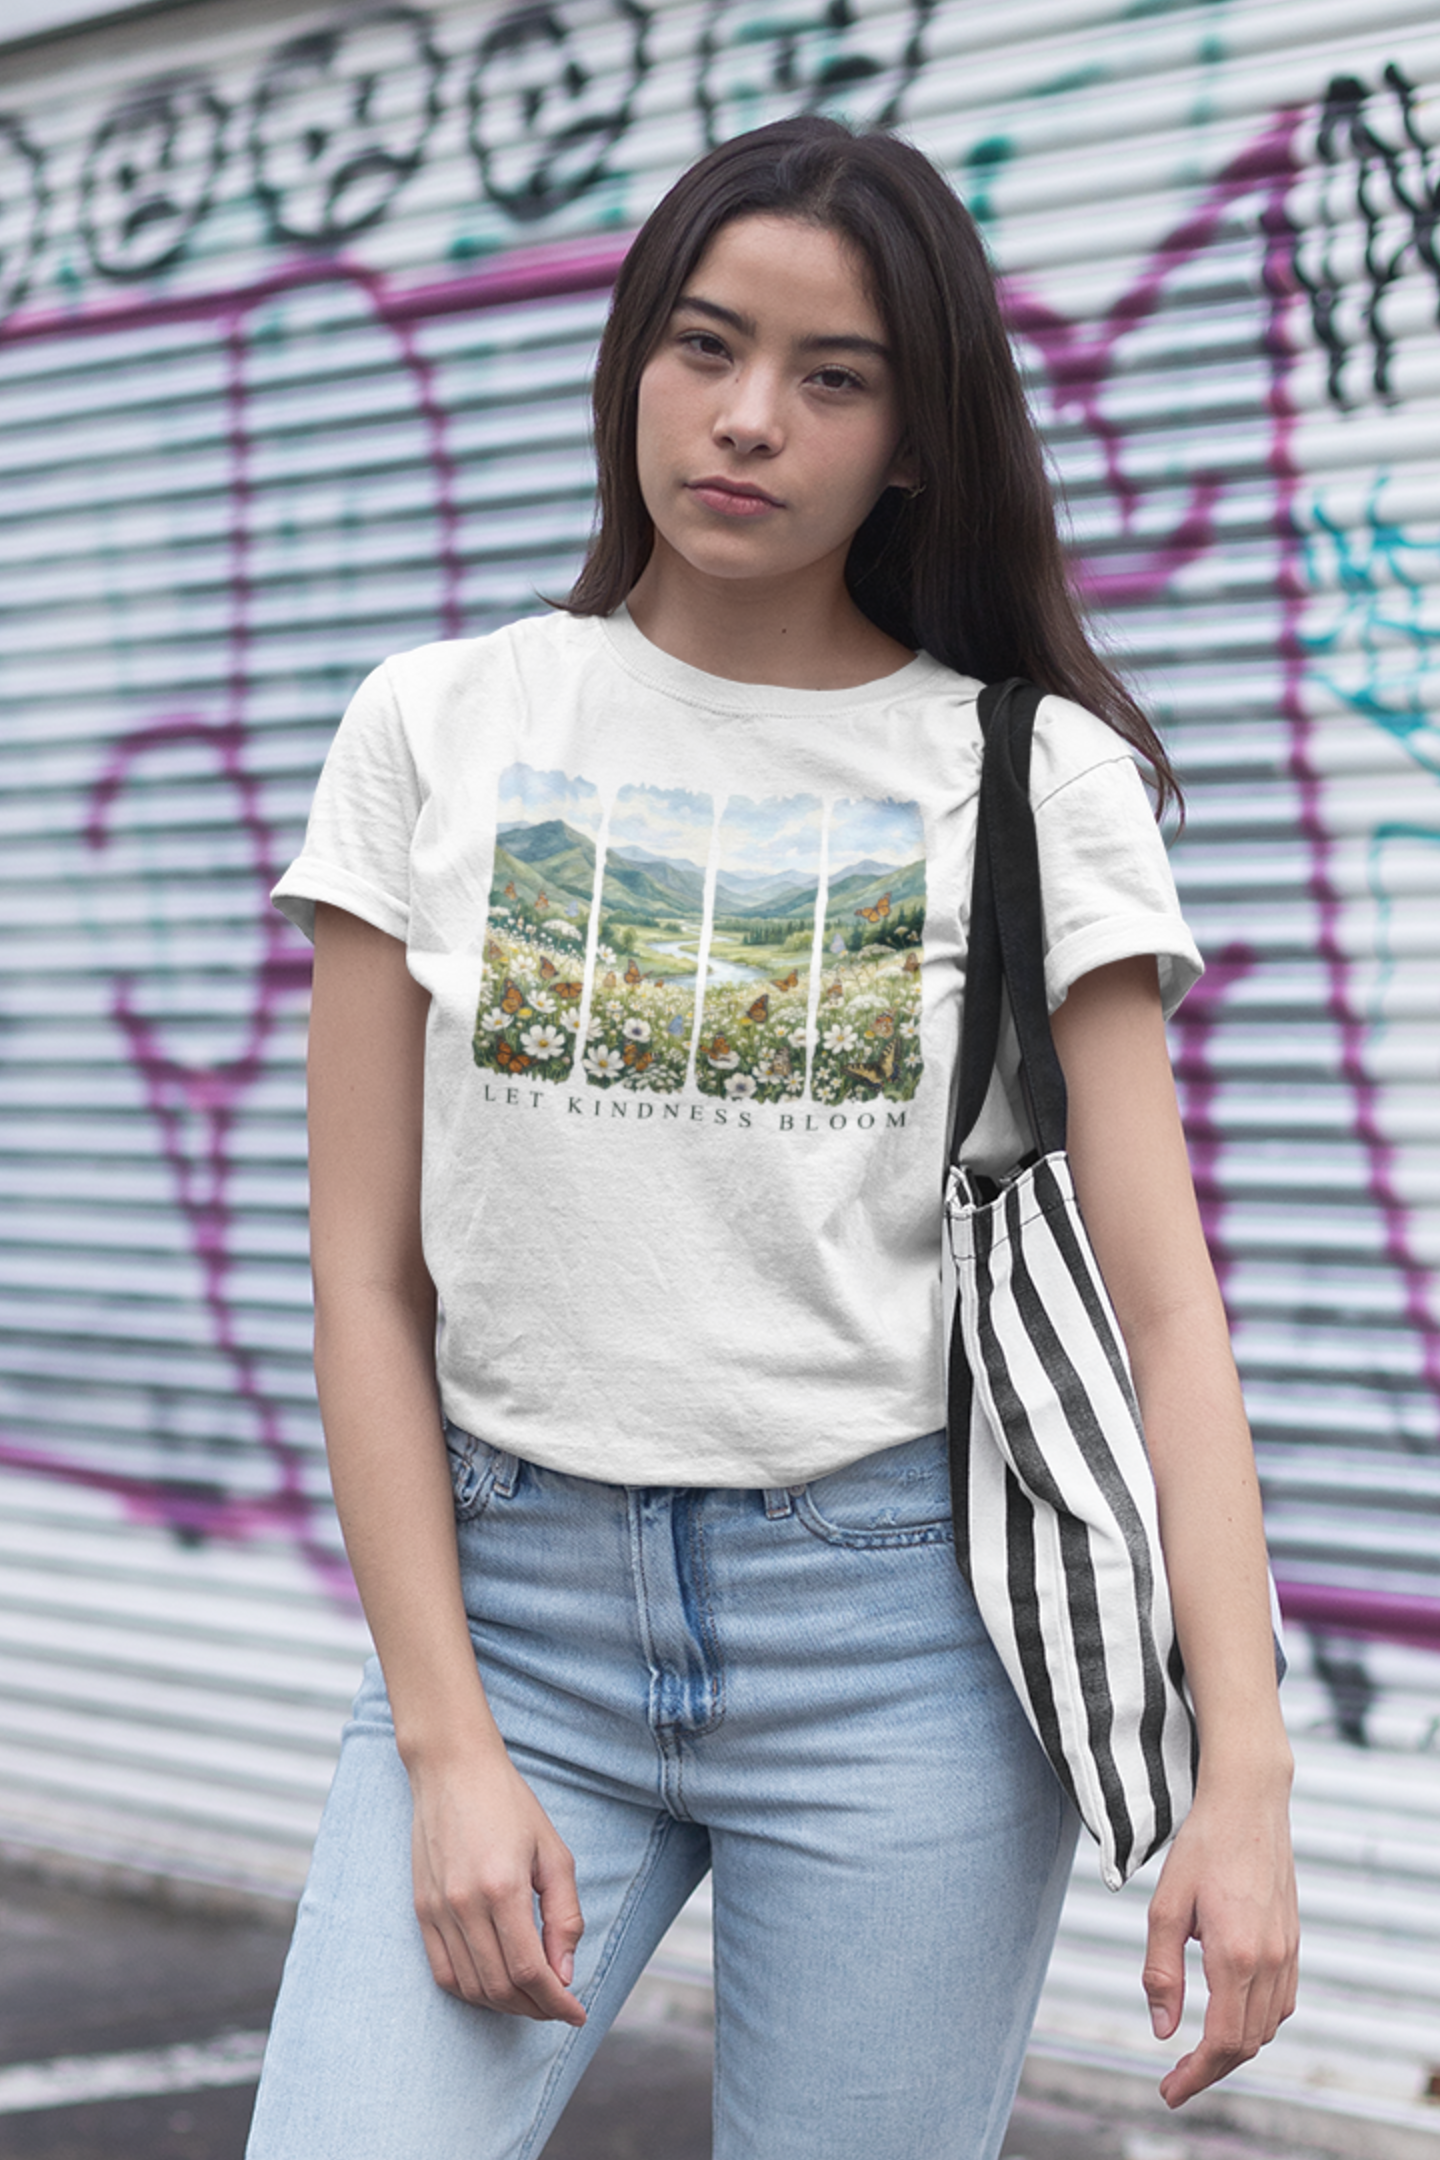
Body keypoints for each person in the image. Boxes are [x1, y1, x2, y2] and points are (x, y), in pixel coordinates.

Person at [247, 115, 1297, 2160]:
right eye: (705, 347)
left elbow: (1169, 1319)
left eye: (834, 377)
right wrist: (447, 1744)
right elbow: (366, 1282)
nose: (746, 421)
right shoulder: (440, 727)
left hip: (896, 1639)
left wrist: (1238, 1781)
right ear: (631, 356)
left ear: (916, 441)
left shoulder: (1032, 777)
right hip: (513, 1617)